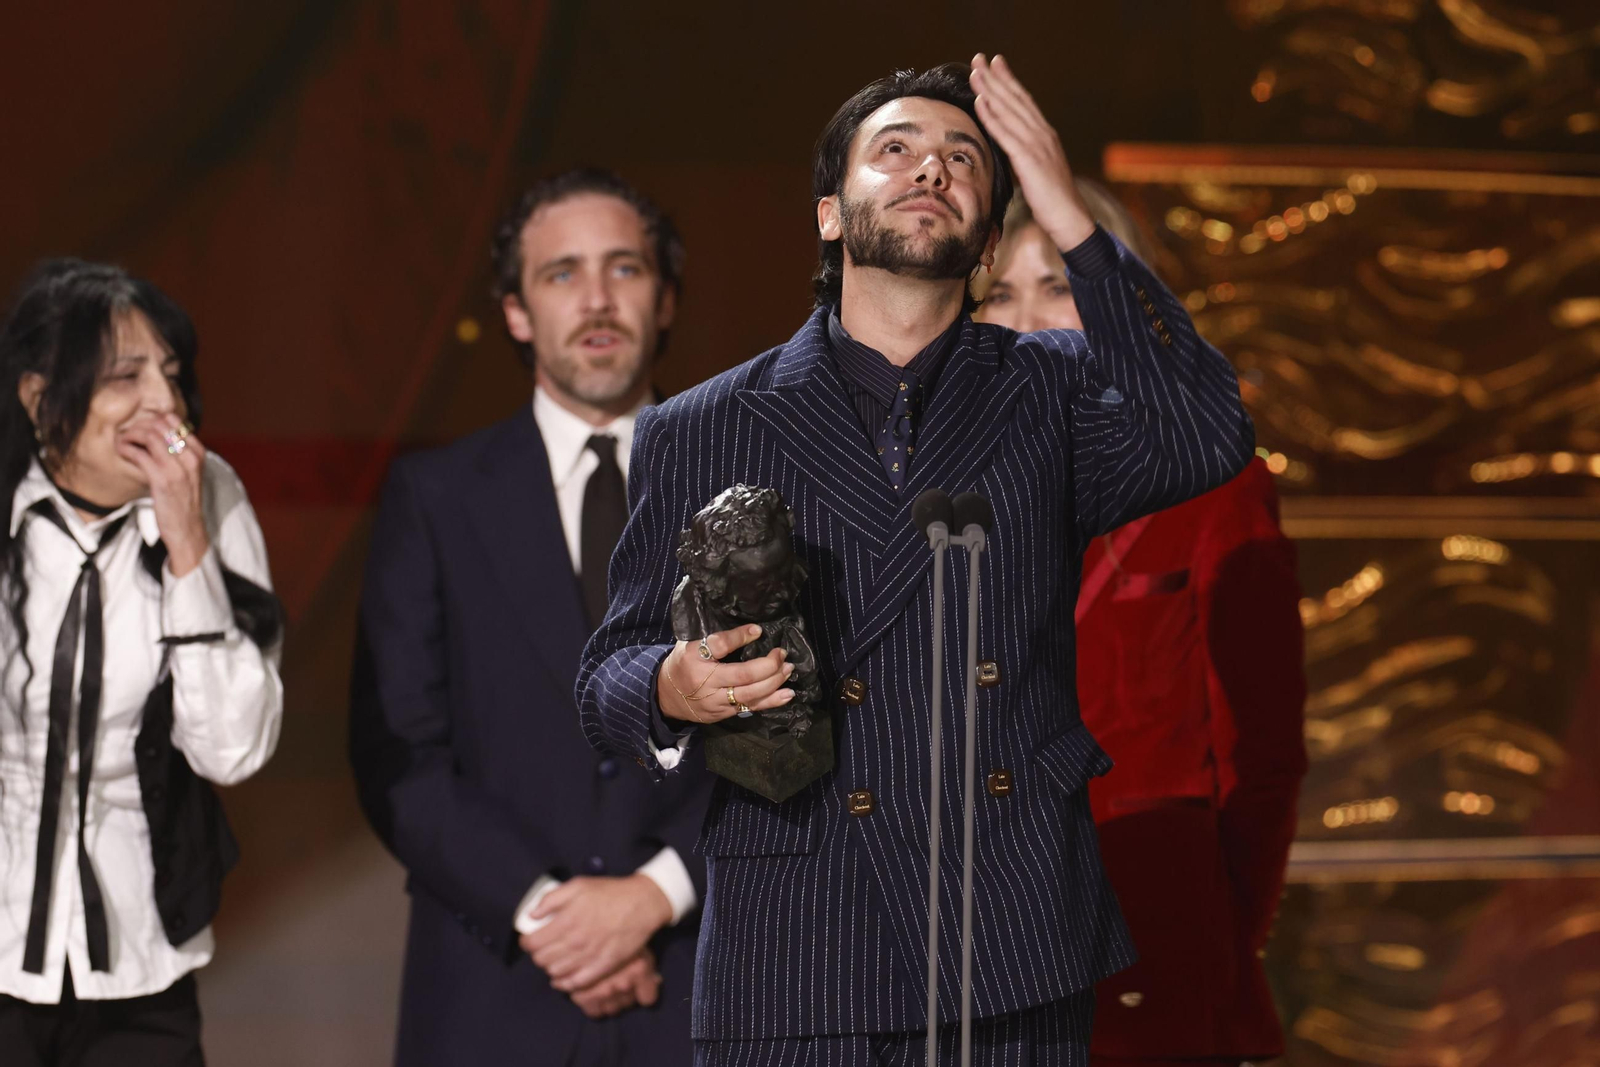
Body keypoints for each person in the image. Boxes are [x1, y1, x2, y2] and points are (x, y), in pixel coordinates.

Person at [578, 55, 1256, 1066]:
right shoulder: (701, 423)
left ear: (988, 233)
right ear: (828, 212)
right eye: (893, 150)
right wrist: (673, 682)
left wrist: (1072, 220)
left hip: (1008, 928)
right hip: (797, 936)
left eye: (963, 158)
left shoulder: (1050, 389)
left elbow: (1207, 432)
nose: (928, 170)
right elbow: (605, 676)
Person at [349, 168, 713, 1066]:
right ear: (515, 311)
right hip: (493, 993)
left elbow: (798, 726)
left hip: (705, 988)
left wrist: (654, 897)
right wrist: (551, 913)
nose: (596, 300)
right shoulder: (431, 498)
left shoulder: (747, 483)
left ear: (664, 299)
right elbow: (399, 754)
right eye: (561, 274)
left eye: (624, 270)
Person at [976, 189, 1307, 1067]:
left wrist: (1218, 943)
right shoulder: (946, 505)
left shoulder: (1210, 483)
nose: (1026, 318)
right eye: (997, 296)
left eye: (1056, 285)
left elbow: (1263, 759)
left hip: (1150, 954)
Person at [0, 259, 284, 1066]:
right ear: (36, 395)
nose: (163, 402)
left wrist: (187, 540)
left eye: (170, 372)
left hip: (141, 961)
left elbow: (232, 748)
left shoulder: (211, 494)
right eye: (126, 376)